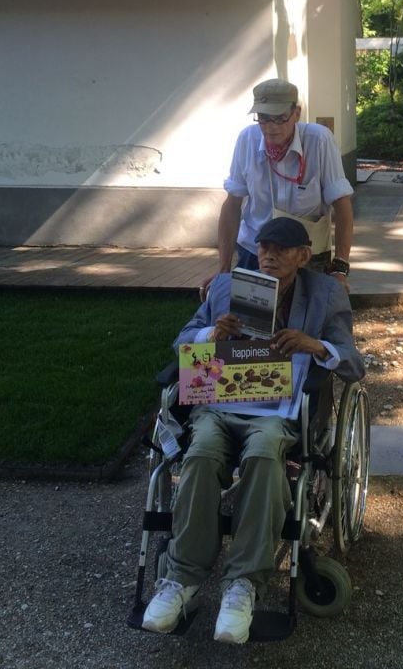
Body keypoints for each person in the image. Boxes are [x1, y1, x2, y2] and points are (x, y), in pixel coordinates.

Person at [142, 216, 365, 644]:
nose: (269, 255)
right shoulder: (226, 287)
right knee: (201, 453)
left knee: (264, 456)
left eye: (281, 249)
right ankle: (180, 581)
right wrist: (212, 333)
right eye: (264, 247)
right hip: (220, 404)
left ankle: (243, 585)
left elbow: (353, 364)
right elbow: (182, 340)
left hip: (277, 412)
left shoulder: (326, 294)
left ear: (303, 256)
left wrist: (315, 345)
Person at [202, 78, 354, 297]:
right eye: (263, 119)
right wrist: (223, 269)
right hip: (256, 251)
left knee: (304, 320)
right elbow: (232, 203)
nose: (270, 128)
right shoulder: (247, 139)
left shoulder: (319, 140)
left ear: (297, 113)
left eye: (279, 118)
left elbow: (342, 204)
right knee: (251, 321)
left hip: (306, 254)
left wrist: (340, 268)